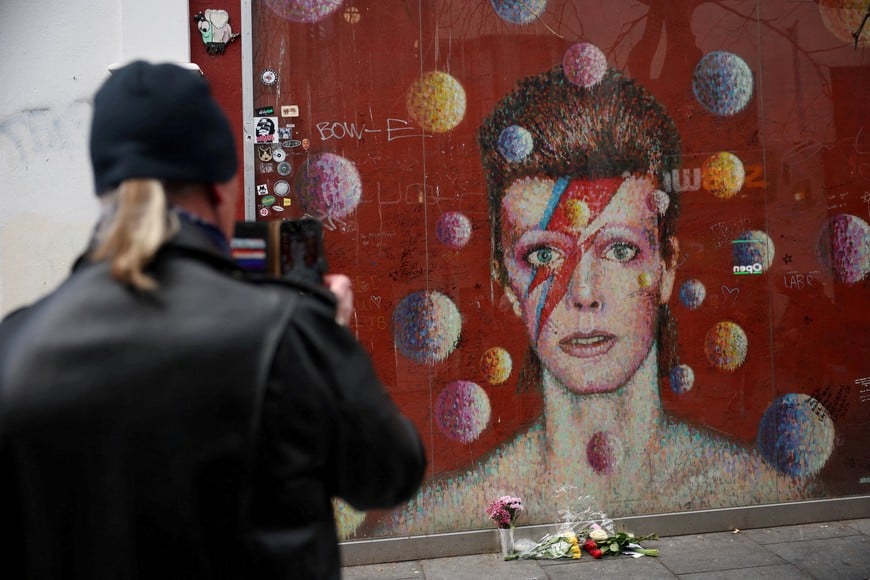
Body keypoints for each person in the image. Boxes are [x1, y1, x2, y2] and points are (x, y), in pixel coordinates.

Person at [0, 61, 426, 579]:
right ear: (222, 185)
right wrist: (327, 333)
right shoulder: (285, 332)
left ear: (104, 190)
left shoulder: (15, 346)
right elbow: (389, 473)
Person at [377, 65, 815, 536]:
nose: (583, 294)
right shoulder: (449, 515)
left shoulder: (757, 491)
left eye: (620, 250)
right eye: (544, 254)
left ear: (667, 267)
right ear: (503, 280)